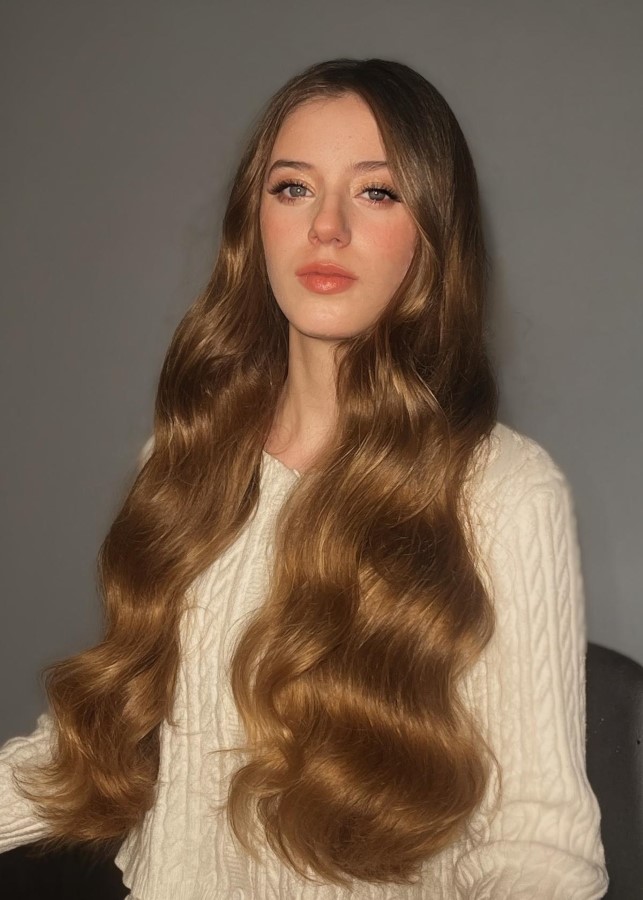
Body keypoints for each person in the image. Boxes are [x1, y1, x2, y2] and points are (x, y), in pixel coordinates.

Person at [0, 58, 609, 898]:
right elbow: (93, 752)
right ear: (254, 223)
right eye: (292, 188)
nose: (326, 227)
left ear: (433, 233)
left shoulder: (501, 490)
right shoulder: (187, 458)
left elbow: (538, 847)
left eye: (376, 193)